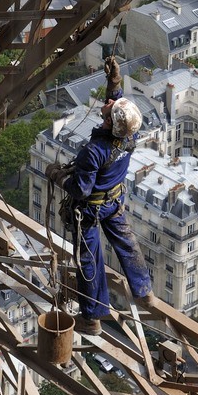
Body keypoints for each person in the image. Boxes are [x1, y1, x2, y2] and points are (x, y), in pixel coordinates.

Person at [64, 56, 154, 333]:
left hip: (89, 209)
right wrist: (114, 81)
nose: (110, 102)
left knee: (89, 259)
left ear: (107, 121)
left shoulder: (94, 152)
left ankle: (92, 317)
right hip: (114, 201)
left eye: (111, 107)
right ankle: (144, 290)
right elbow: (119, 112)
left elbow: (81, 189)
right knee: (127, 244)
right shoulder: (129, 137)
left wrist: (58, 177)